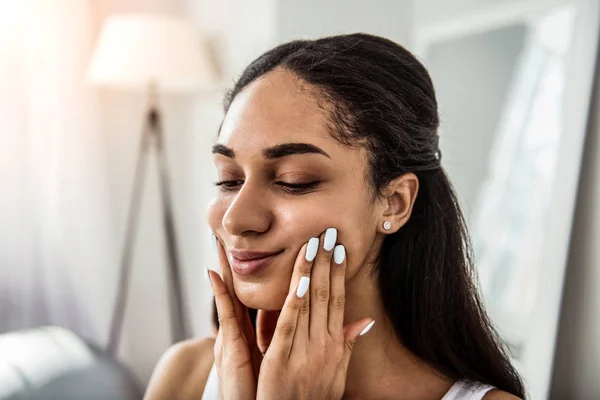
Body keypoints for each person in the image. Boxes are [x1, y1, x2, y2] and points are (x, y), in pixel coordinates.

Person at [144, 33, 526, 400]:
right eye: (229, 180)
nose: (235, 219)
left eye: (293, 181)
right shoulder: (186, 376)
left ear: (394, 202)